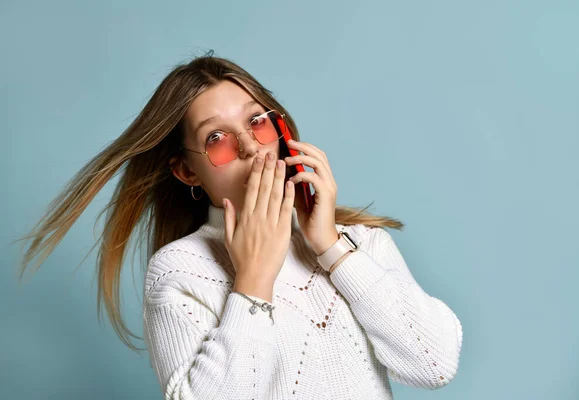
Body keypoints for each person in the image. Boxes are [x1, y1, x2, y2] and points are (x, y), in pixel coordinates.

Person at [15, 51, 463, 399]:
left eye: (257, 122)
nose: (250, 147)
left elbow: (435, 364)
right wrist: (252, 283)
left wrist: (329, 246)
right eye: (217, 138)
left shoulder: (360, 245)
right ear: (187, 172)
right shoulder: (180, 272)